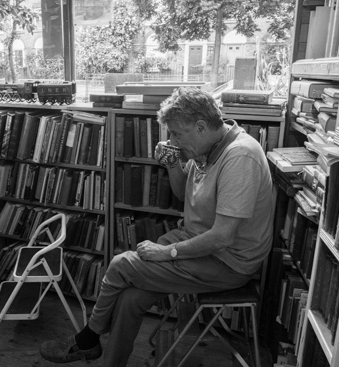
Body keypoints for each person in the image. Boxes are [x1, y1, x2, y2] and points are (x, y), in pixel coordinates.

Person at [39, 87, 273, 366]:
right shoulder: (209, 146)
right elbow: (180, 192)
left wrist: (168, 252)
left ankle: (88, 337)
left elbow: (222, 237)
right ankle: (108, 360)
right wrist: (173, 162)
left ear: (200, 126)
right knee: (130, 299)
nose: (172, 140)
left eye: (176, 133)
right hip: (197, 244)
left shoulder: (239, 156)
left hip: (228, 262)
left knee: (120, 265)